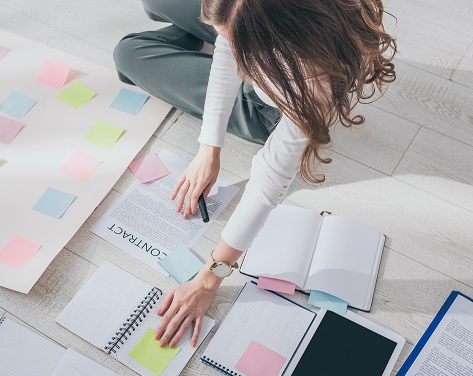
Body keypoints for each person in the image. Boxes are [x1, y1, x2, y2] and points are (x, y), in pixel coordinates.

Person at [113, 0, 396, 347]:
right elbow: (227, 49)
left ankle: (193, 45)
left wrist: (208, 280)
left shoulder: (309, 83)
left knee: (128, 53)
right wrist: (209, 146)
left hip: (266, 106)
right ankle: (202, 36)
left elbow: (266, 186)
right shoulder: (241, 23)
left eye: (236, 44)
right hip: (256, 36)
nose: (228, 46)